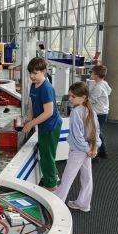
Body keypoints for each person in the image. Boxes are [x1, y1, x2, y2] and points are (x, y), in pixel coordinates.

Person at [55, 82, 100, 212]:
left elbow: (77, 135)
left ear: (83, 97)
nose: (70, 99)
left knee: (67, 178)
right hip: (88, 149)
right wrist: (94, 148)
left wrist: (88, 149)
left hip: (79, 150)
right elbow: (96, 131)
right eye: (70, 95)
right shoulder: (91, 111)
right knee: (87, 177)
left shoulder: (76, 112)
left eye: (73, 96)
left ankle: (57, 205)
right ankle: (84, 203)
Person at [22, 57, 62, 191]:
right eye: (30, 73)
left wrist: (31, 124)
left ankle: (51, 185)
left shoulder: (46, 88)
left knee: (47, 156)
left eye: (35, 73)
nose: (32, 76)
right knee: (45, 152)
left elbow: (48, 112)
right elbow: (32, 105)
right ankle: (53, 176)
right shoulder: (34, 85)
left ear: (44, 71)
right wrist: (29, 119)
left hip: (51, 126)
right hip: (44, 126)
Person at [90, 64, 111, 159]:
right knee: (97, 132)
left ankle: (99, 152)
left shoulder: (98, 87)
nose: (91, 73)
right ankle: (103, 151)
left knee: (95, 133)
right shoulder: (104, 83)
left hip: (99, 113)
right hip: (103, 112)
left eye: (92, 72)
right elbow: (109, 91)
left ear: (96, 75)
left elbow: (91, 100)